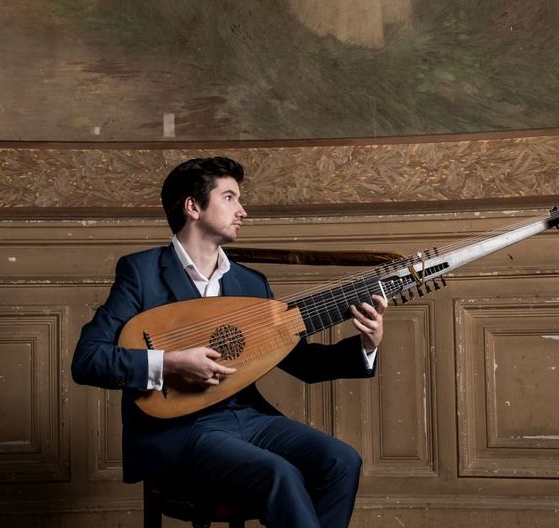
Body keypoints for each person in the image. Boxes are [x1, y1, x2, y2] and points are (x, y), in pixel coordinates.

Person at [71, 156, 387, 528]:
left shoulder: (250, 283)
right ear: (193, 207)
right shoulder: (141, 273)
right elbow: (88, 359)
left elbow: (300, 361)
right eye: (229, 197)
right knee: (277, 473)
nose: (243, 210)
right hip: (180, 431)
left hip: (248, 418)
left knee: (340, 460)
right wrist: (170, 364)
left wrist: (367, 344)